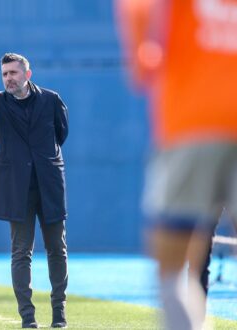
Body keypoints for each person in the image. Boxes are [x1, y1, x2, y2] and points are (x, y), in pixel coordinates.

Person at [116, 0, 237, 329]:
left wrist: (141, 58)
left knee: (171, 264)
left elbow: (137, 10)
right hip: (194, 124)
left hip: (192, 124)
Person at [0, 53, 69, 329]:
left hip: (49, 184)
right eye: (5, 74)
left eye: (13, 73)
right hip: (16, 187)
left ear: (27, 74)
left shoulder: (51, 99)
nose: (9, 78)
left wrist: (44, 161)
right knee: (21, 252)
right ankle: (28, 318)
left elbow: (61, 133)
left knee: (57, 249)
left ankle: (59, 316)